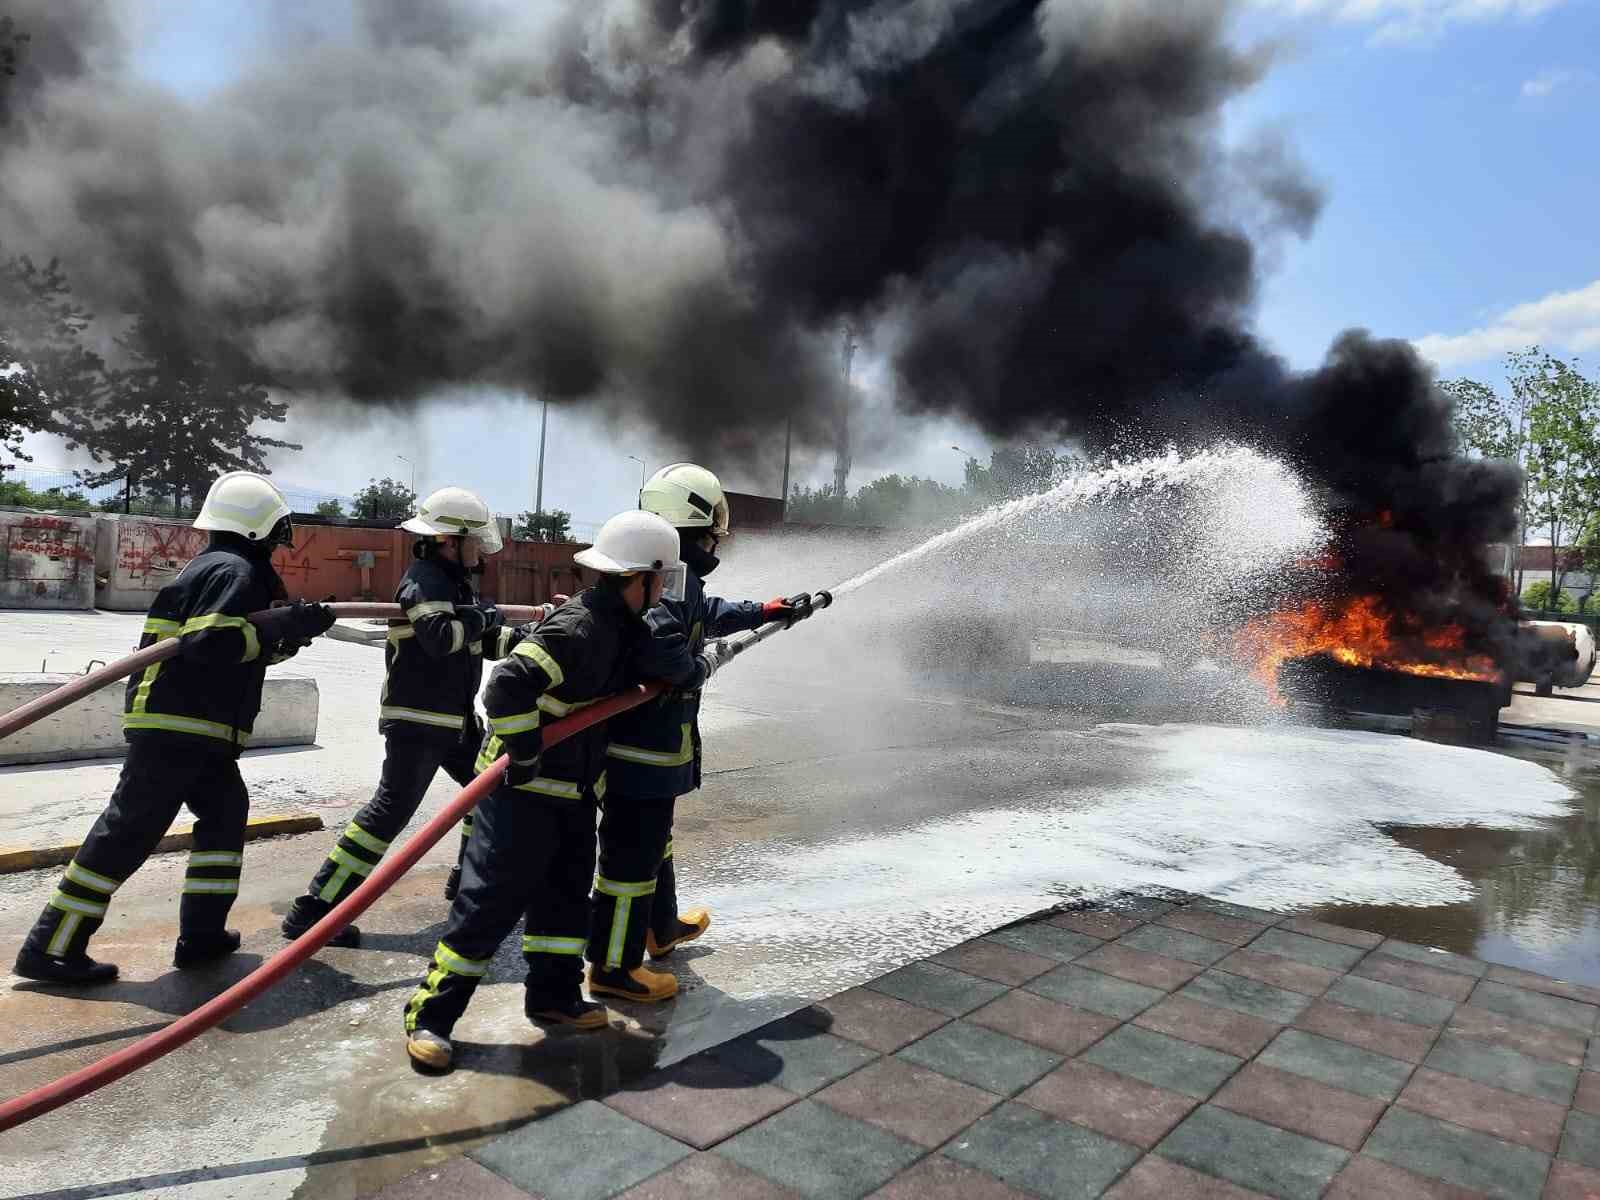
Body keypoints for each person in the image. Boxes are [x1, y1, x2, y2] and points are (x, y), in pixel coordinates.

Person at [402, 509, 702, 1071]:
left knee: (565, 897)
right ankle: (430, 1016)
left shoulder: (625, 627)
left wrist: (692, 667)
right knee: (490, 901)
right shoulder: (581, 628)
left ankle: (555, 997)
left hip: (573, 788)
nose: (664, 591)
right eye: (660, 580)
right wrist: (526, 750)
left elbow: (671, 664)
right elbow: (507, 685)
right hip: (523, 787)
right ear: (640, 577)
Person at [13, 472, 335, 984]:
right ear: (258, 530)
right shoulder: (236, 571)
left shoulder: (215, 567)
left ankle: (202, 935)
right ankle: (50, 946)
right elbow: (215, 644)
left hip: (195, 724)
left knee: (226, 815)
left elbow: (232, 644)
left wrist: (288, 636)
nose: (278, 543)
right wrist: (287, 625)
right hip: (181, 723)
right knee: (128, 832)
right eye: (276, 532)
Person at [587, 464, 810, 1002]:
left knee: (653, 845)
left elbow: (707, 612)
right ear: (686, 529)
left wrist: (765, 609)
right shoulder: (653, 586)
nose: (716, 543)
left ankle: (659, 929)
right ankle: (612, 969)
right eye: (711, 533)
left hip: (659, 750)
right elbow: (667, 650)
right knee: (627, 863)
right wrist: (699, 668)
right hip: (636, 755)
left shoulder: (675, 580)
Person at [281, 486, 524, 947]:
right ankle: (315, 911)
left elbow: (478, 641)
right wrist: (485, 617)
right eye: (474, 541)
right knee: (390, 812)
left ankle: (468, 881)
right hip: (419, 721)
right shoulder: (426, 578)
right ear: (450, 540)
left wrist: (530, 638)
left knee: (490, 790)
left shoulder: (453, 583)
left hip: (452, 720)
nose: (481, 551)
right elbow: (441, 636)